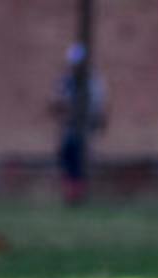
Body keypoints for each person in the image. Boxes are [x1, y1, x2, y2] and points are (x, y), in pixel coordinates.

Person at [49, 43, 107, 205]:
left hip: (84, 127)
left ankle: (79, 195)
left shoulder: (92, 81)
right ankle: (70, 195)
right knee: (67, 158)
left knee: (81, 160)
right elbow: (55, 103)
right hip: (68, 127)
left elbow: (98, 106)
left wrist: (96, 122)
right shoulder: (65, 81)